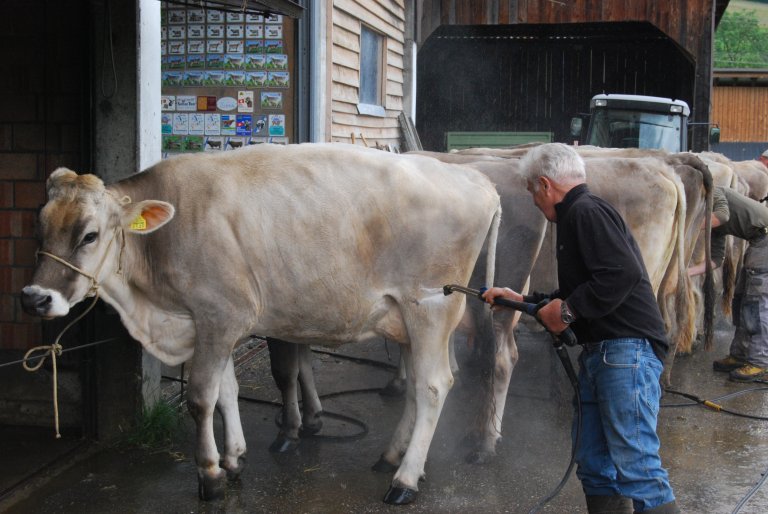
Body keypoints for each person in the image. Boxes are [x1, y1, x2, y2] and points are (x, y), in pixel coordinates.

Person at [482, 143, 678, 514]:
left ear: (545, 185)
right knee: (594, 463)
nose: (534, 201)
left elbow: (622, 274)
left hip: (626, 352)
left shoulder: (586, 212)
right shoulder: (580, 215)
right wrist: (518, 299)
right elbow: (577, 292)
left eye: (531, 192)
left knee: (637, 466)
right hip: (604, 353)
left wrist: (568, 312)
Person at [688, 185, 768, 381]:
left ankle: (760, 362)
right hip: (757, 241)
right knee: (741, 298)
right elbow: (716, 259)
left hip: (765, 239)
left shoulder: (711, 189)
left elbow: (722, 216)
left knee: (757, 304)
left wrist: (687, 225)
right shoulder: (710, 221)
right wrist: (684, 273)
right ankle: (740, 355)